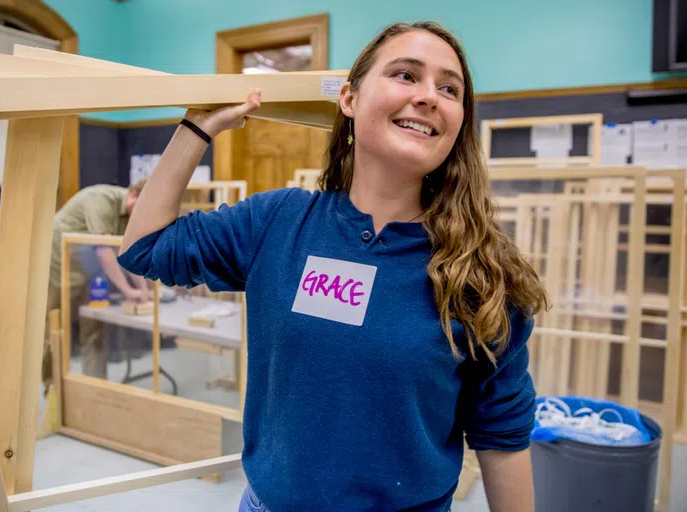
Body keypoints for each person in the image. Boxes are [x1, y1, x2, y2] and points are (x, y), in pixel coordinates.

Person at [118, 21, 548, 512]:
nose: (429, 95)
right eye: (406, 75)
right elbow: (145, 248)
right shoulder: (278, 223)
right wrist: (198, 127)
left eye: (449, 88)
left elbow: (501, 433)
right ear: (348, 98)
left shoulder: (482, 271)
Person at [42, 180, 151, 387]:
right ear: (133, 194)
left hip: (88, 266)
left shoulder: (133, 214)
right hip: (60, 261)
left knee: (93, 326)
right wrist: (128, 290)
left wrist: (144, 290)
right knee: (55, 326)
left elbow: (129, 252)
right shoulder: (101, 201)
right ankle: (52, 385)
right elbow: (104, 249)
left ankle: (97, 388)